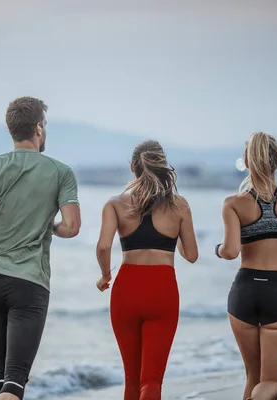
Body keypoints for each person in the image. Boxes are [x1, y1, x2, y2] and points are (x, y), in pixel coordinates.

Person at [0, 97, 81, 400]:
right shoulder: (61, 172)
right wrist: (49, 225)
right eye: (44, 125)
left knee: (0, 376)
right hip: (29, 282)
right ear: (38, 128)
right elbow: (72, 227)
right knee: (16, 381)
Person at [215, 132, 277, 400]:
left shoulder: (233, 204)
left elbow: (230, 251)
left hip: (244, 291)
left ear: (247, 162)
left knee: (253, 378)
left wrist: (218, 250)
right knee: (270, 382)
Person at [95, 140, 199, 400]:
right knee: (151, 380)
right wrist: (171, 238)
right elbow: (192, 255)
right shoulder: (179, 205)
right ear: (163, 167)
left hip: (126, 291)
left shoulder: (115, 204)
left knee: (131, 379)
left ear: (132, 167)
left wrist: (105, 275)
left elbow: (103, 247)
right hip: (162, 291)